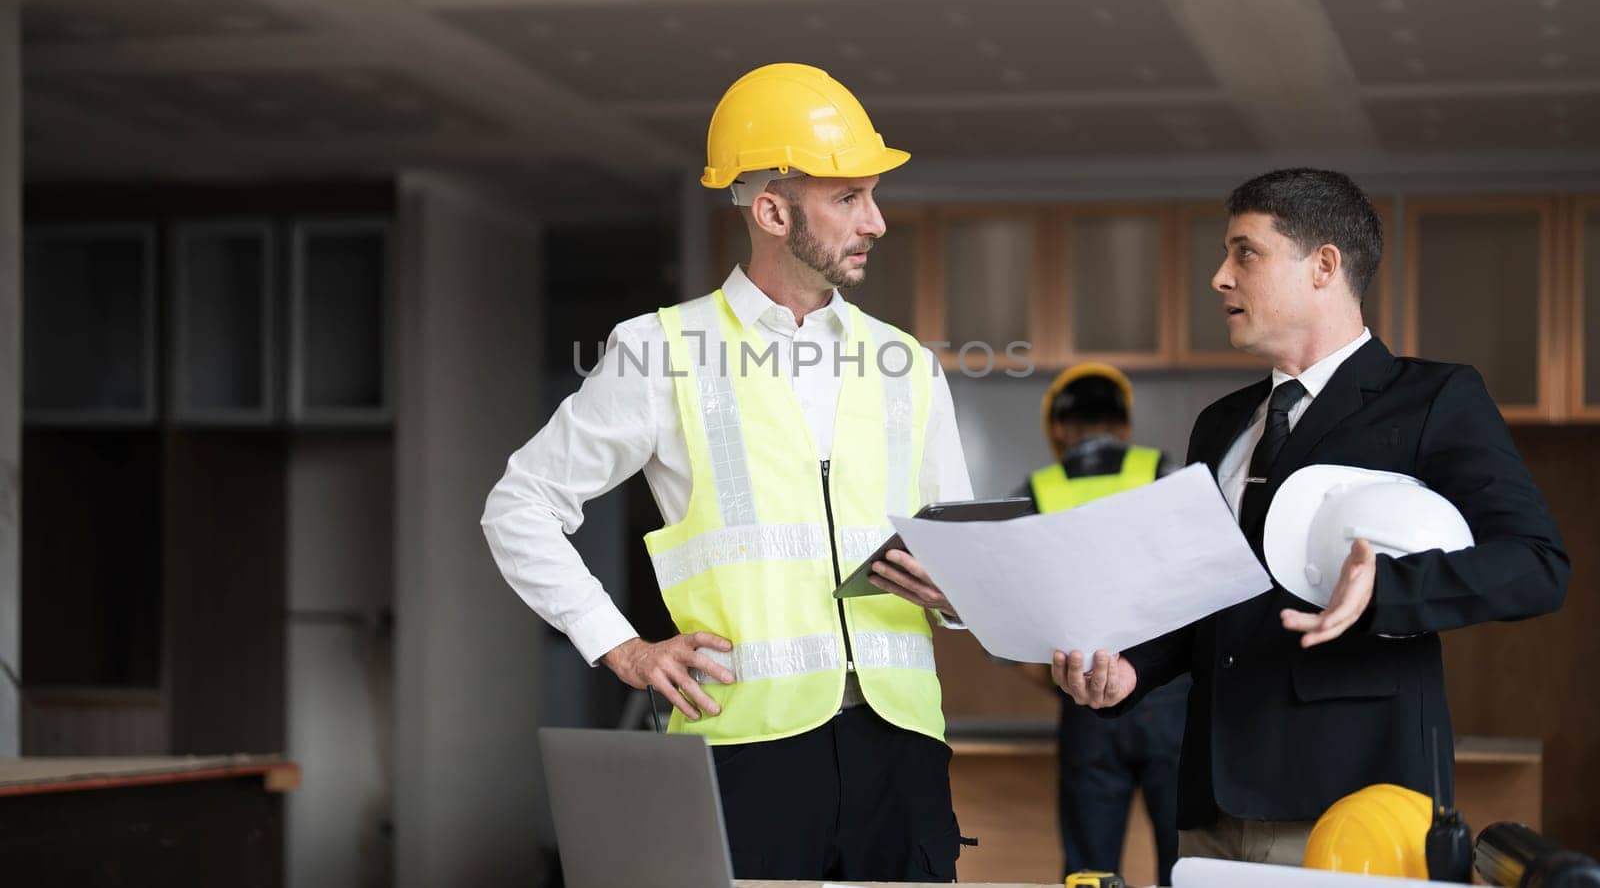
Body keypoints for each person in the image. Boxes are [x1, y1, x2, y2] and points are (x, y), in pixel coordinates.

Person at [481, 63, 973, 883]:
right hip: (747, 751)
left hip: (904, 751)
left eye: (873, 194)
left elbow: (964, 555)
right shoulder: (661, 352)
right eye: (848, 198)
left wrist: (960, 595)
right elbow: (519, 505)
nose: (877, 221)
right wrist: (623, 649)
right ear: (773, 211)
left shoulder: (906, 364)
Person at [1053, 168, 1569, 868]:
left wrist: (1385, 590)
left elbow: (1538, 564)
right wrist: (1130, 671)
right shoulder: (1222, 424)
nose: (1219, 277)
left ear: (1324, 264)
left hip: (1354, 808)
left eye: (1245, 252)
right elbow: (1211, 595)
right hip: (1209, 807)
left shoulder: (1433, 398)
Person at [1017, 363, 1186, 885]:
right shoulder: (1165, 473)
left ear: (1059, 428)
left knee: (1090, 868)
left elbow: (1014, 619)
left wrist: (1062, 681)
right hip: (1173, 700)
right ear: (1125, 425)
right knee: (1184, 860)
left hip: (1087, 697)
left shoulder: (1036, 490)